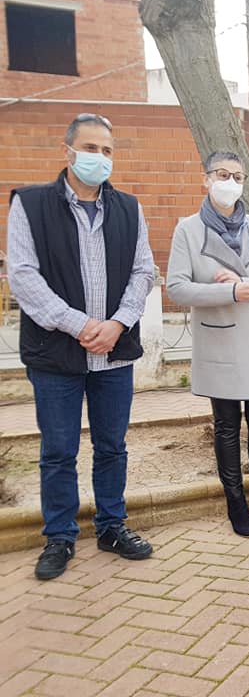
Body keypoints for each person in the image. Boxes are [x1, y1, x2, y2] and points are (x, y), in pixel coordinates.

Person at [6, 113, 156, 580]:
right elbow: (23, 278)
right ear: (67, 150)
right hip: (56, 356)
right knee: (58, 451)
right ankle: (60, 536)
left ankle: (112, 526)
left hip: (114, 352)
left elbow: (143, 272)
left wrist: (116, 324)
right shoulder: (29, 205)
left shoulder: (129, 208)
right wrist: (79, 325)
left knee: (112, 446)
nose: (100, 158)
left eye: (108, 150)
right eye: (91, 148)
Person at [166, 151, 249, 537]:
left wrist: (247, 288)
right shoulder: (187, 230)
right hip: (221, 344)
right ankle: (235, 503)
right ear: (205, 179)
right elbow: (176, 288)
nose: (230, 182)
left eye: (237, 176)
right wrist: (228, 294)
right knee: (226, 426)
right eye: (222, 174)